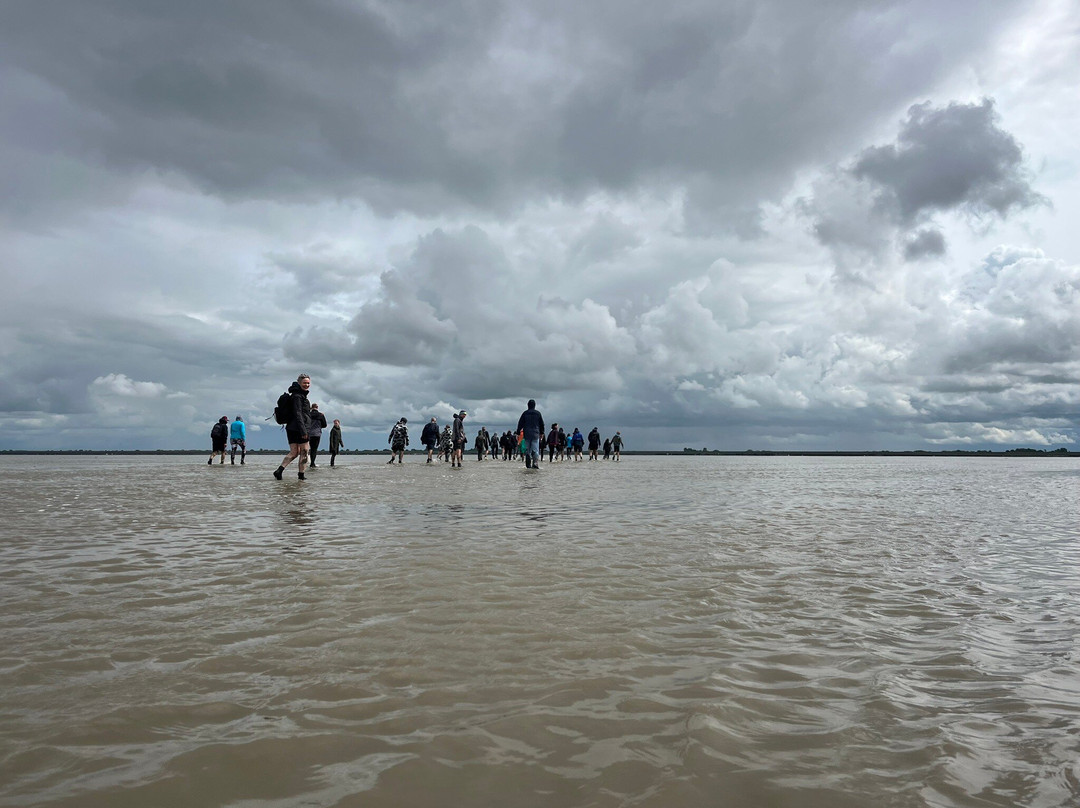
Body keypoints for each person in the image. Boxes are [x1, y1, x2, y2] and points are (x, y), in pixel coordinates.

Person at [274, 373, 312, 481]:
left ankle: (279, 471)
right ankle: (301, 475)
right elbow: (298, 413)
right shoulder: (298, 396)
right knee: (304, 451)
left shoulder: (297, 395)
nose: (307, 385)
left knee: (294, 452)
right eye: (304, 383)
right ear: (299, 383)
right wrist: (304, 430)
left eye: (308, 383)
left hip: (291, 428)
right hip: (299, 428)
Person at [516, 399, 545, 469]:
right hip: (536, 433)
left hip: (527, 433)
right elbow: (542, 424)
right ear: (534, 405)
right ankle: (535, 462)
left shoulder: (525, 413)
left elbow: (520, 424)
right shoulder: (538, 413)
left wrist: (518, 433)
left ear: (528, 405)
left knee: (527, 449)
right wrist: (542, 433)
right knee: (535, 449)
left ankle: (528, 461)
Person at [308, 403, 327, 468]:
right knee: (314, 449)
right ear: (317, 407)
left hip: (309, 433)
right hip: (317, 433)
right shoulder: (321, 415)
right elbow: (325, 425)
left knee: (308, 448)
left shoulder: (308, 414)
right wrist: (319, 426)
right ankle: (312, 463)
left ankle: (306, 462)